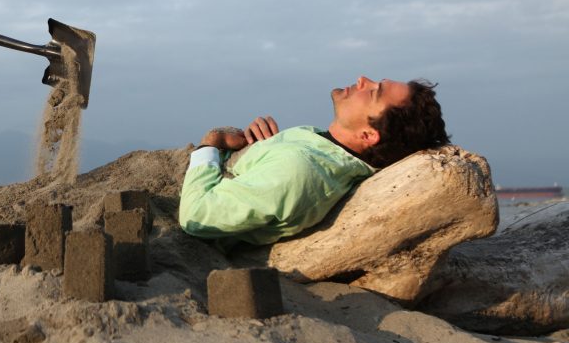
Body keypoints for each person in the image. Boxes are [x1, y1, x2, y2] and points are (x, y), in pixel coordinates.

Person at [179, 76, 450, 248]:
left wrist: (211, 143)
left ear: (367, 134)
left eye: (373, 92)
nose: (362, 79)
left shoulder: (298, 169)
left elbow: (196, 218)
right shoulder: (319, 147)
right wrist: (258, 149)